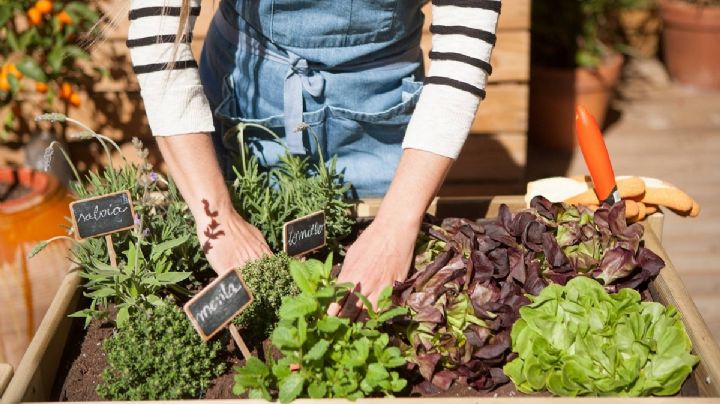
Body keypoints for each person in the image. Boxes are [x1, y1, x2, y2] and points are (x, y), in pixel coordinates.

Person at [127, 0, 501, 315]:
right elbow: (158, 44)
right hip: (245, 108)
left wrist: (395, 225)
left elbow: (461, 58)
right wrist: (217, 217)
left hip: (378, 117)